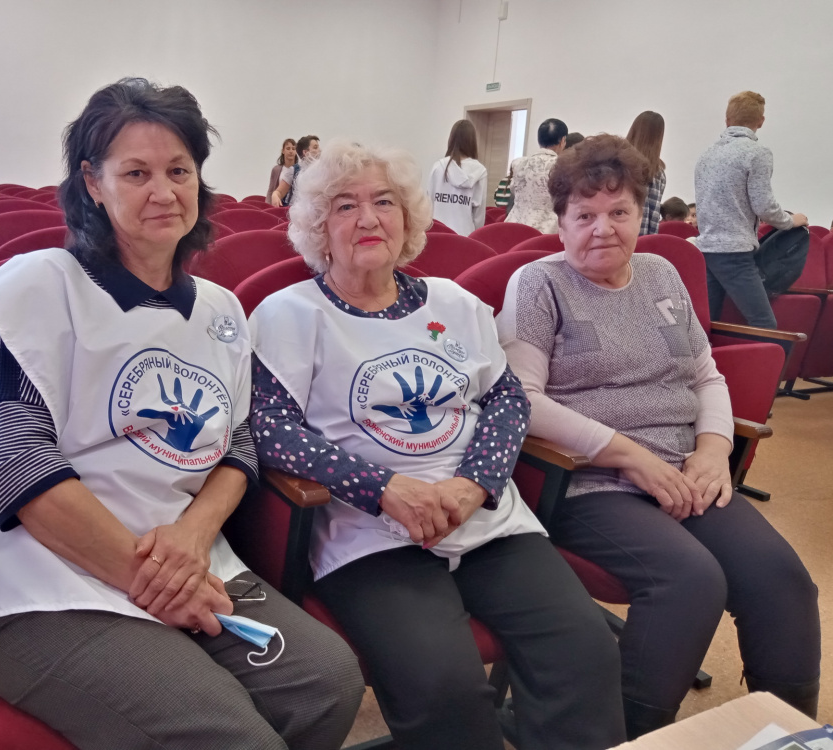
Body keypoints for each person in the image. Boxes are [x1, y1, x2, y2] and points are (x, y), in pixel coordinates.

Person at [0, 79, 363, 750]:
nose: (164, 191)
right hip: (50, 579)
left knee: (324, 682)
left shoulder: (221, 310)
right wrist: (156, 582)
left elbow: (240, 443)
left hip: (182, 555)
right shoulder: (40, 288)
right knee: (230, 735)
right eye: (136, 173)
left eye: (179, 170)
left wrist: (195, 535)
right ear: (93, 182)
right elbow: (18, 466)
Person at [250, 139, 626, 750]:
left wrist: (473, 484)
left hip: (483, 515)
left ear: (408, 218)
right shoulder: (288, 314)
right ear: (320, 228)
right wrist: (383, 488)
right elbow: (269, 428)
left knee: (584, 649)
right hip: (370, 532)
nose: (368, 219)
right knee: (442, 687)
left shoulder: (456, 304)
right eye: (345, 206)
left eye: (384, 202)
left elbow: (507, 401)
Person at [497, 133, 821, 739]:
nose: (603, 229)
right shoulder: (539, 284)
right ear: (560, 223)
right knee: (689, 582)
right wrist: (629, 457)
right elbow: (524, 401)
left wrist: (714, 450)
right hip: (585, 480)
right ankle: (623, 736)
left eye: (619, 212)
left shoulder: (661, 273)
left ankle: (787, 733)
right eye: (585, 216)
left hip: (683, 469)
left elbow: (706, 375)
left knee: (780, 580)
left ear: (640, 214)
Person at [693, 91, 808, 328]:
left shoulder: (706, 154)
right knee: (765, 326)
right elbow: (764, 207)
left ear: (727, 120)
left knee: (708, 327)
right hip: (734, 253)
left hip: (706, 251)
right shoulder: (757, 153)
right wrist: (791, 220)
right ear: (761, 121)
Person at [505, 117, 568, 233]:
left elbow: (513, 190)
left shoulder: (518, 163)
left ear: (539, 140)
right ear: (563, 140)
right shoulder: (562, 165)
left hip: (514, 227)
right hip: (546, 231)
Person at [427, 119, 488, 235]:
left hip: (437, 233)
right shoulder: (480, 171)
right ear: (472, 142)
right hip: (465, 236)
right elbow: (479, 216)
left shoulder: (438, 167)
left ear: (451, 139)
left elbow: (428, 206)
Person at [625, 111, 666, 235]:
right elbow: (654, 215)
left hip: (620, 234)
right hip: (644, 237)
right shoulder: (658, 173)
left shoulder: (618, 164)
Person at [270, 134, 320, 207]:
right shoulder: (294, 170)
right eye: (315, 147)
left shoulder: (321, 170)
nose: (319, 150)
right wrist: (275, 195)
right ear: (305, 152)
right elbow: (279, 192)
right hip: (294, 210)